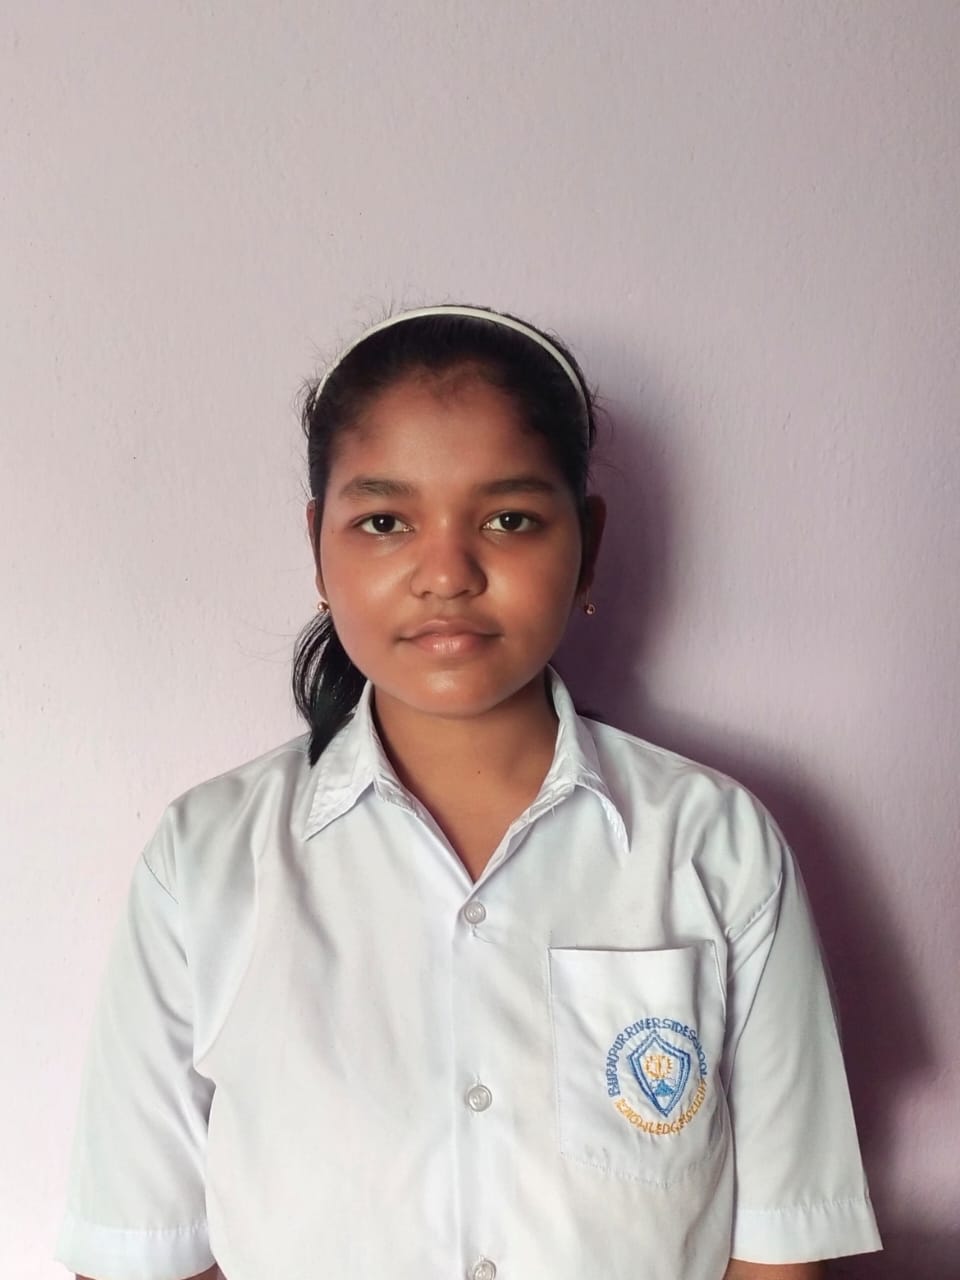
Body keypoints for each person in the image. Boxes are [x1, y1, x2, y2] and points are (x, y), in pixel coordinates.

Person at [56, 304, 882, 1280]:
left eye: (508, 518)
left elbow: (783, 1246)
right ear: (319, 546)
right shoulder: (203, 860)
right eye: (385, 521)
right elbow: (138, 1249)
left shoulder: (715, 842)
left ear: (589, 545)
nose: (446, 574)